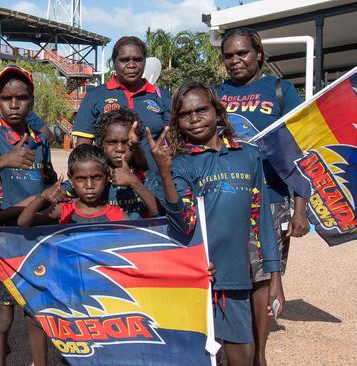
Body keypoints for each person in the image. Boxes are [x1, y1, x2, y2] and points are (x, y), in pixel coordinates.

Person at [148, 80, 284, 366]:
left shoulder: (247, 155)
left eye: (201, 110)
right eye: (185, 114)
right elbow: (182, 224)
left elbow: (262, 222)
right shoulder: (182, 164)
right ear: (176, 122)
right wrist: (164, 172)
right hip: (196, 279)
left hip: (235, 278)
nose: (194, 119)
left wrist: (274, 277)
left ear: (218, 112)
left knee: (243, 356)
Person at [216, 28, 309, 366]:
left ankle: (260, 354)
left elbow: (301, 152)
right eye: (229, 55)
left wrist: (301, 210)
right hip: (224, 196)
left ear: (258, 54)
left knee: (263, 277)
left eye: (242, 53)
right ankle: (233, 346)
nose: (235, 60)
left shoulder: (280, 91)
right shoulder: (216, 93)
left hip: (270, 198)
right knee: (228, 273)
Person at [0, 65, 57, 366]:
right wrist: (3, 161)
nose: (14, 105)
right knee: (1, 320)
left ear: (31, 101)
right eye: (7, 98)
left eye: (21, 98)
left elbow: (45, 187)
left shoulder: (39, 142)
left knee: (37, 315)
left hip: (33, 239)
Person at [71, 36, 171, 198]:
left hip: (154, 185)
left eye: (138, 60)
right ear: (114, 63)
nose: (131, 65)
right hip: (109, 188)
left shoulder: (161, 96)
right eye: (124, 60)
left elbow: (173, 142)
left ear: (145, 62)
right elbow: (83, 149)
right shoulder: (95, 96)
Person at [66, 107, 159, 218]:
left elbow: (157, 212)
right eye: (112, 142)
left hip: (135, 234)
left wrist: (134, 182)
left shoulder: (143, 176)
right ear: (101, 144)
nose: (119, 148)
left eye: (125, 142)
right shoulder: (93, 176)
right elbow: (63, 194)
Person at [18, 144, 128, 226]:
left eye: (96, 177)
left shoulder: (117, 215)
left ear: (107, 177)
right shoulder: (64, 210)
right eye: (81, 178)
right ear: (71, 180)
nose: (89, 185)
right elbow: (23, 223)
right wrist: (42, 197)